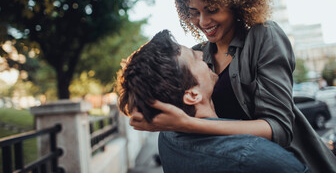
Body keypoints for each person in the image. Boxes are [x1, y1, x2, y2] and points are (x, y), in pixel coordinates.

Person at [129, 0, 336, 173]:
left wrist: (189, 124)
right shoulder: (198, 55)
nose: (203, 22)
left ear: (235, 0)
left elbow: (278, 129)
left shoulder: (264, 37)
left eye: (212, 9)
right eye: (194, 13)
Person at [117, 30, 310, 173]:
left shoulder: (168, 139)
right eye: (194, 57)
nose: (202, 54)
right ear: (192, 95)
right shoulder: (254, 155)